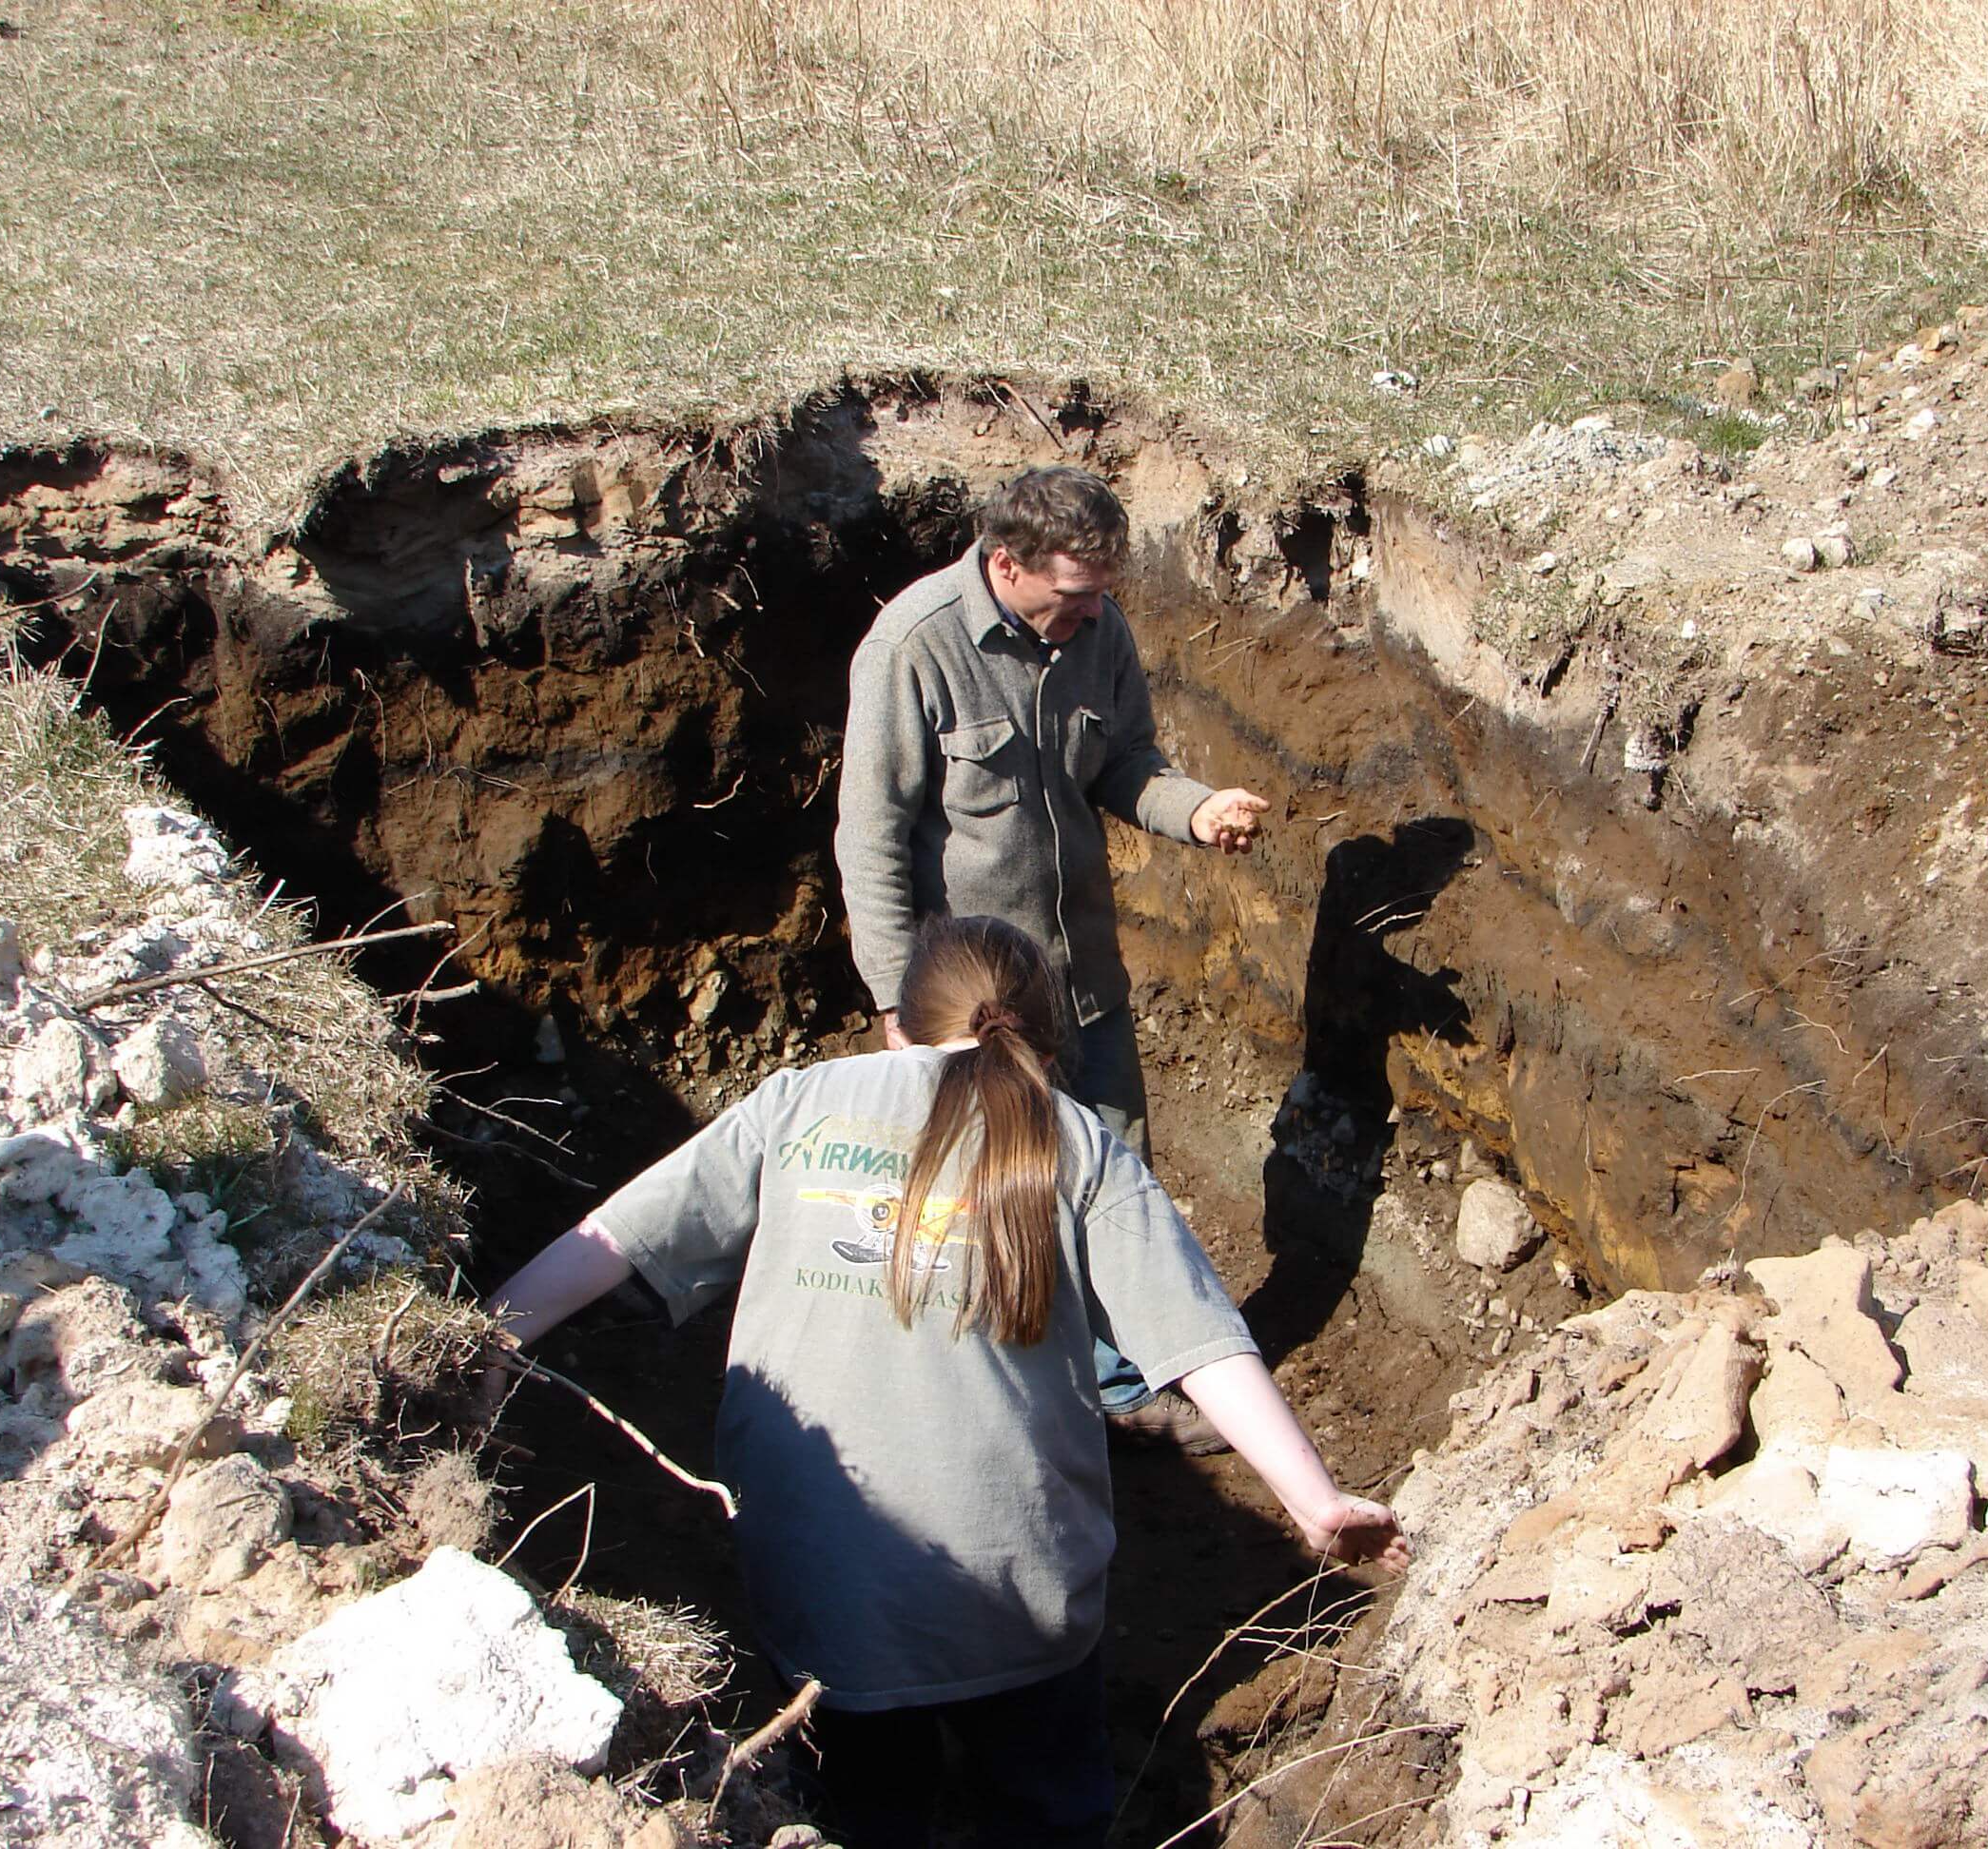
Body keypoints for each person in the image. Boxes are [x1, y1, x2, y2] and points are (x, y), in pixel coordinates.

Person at [486, 916, 1407, 1849]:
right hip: (1023, 1603)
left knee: (864, 1813)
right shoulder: (1075, 1141)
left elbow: (614, 1239)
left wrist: (485, 1336)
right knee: (1048, 1811)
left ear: (897, 1028)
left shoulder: (798, 1104)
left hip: (826, 1602)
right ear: (1044, 1040)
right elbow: (1201, 1343)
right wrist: (1314, 1499)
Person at [833, 465, 1270, 1450]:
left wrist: (1195, 809)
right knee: (985, 1191)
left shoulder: (1097, 630)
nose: (1094, 614)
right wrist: (899, 1003)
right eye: (1075, 596)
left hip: (1084, 976)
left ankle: (1118, 1384)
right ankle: (980, 1381)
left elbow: (1127, 765)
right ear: (1006, 566)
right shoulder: (915, 647)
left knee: (1114, 1176)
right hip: (975, 1001)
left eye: (1104, 593)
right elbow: (871, 838)